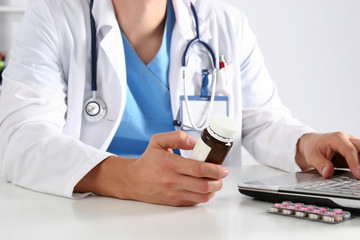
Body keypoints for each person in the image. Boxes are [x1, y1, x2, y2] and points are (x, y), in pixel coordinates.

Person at [0, 0, 359, 207]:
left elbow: (261, 121)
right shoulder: (53, 17)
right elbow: (21, 138)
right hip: (86, 215)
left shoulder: (223, 23)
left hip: (199, 218)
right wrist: (122, 177)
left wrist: (306, 143)